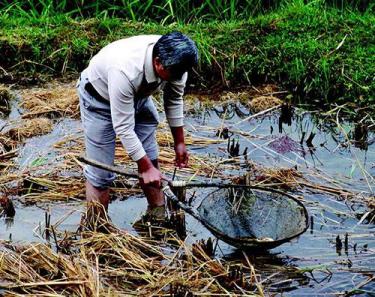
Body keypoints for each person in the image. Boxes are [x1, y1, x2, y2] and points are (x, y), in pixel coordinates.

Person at [76, 32, 198, 221]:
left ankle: (156, 217)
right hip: (99, 99)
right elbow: (123, 128)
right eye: (174, 75)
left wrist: (179, 143)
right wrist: (145, 167)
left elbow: (174, 99)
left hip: (138, 96)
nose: (178, 78)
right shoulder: (125, 70)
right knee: (100, 175)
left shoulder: (177, 64)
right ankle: (96, 229)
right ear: (157, 62)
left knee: (150, 158)